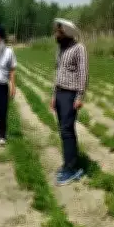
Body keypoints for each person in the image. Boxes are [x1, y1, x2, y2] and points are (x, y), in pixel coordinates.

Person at [50, 18, 88, 186]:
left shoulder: (79, 49)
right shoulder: (60, 49)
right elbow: (57, 73)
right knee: (63, 130)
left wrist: (79, 97)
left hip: (70, 95)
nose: (56, 34)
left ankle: (71, 169)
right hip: (60, 93)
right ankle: (68, 163)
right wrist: (53, 95)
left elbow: (83, 73)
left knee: (67, 130)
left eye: (59, 31)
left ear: (67, 33)